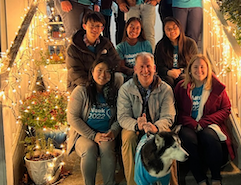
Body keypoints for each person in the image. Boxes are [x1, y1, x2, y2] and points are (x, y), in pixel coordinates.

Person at [117, 52, 177, 185]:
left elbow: (168, 116)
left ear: (154, 68)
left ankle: (172, 182)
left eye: (148, 66)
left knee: (167, 135)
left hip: (156, 126)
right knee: (127, 138)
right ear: (135, 69)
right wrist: (137, 125)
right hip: (135, 127)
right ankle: (133, 182)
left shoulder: (165, 89)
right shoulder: (125, 90)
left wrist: (156, 127)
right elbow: (123, 117)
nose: (145, 70)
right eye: (141, 66)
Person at [174, 54, 234, 185]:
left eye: (202, 67)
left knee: (210, 137)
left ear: (208, 69)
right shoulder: (181, 87)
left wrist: (203, 123)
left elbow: (226, 109)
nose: (199, 70)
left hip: (208, 124)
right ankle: (200, 178)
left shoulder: (216, 87)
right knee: (188, 139)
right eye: (195, 67)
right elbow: (176, 110)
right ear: (189, 69)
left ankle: (216, 177)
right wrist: (193, 124)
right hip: (188, 124)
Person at [67, 57, 122, 185]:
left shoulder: (115, 92)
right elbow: (72, 118)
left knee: (107, 146)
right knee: (90, 149)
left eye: (107, 71)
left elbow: (121, 116)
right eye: (100, 70)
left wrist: (113, 131)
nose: (103, 75)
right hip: (84, 135)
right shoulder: (81, 91)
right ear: (92, 71)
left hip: (106, 133)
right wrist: (93, 135)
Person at [66, 11, 124, 92]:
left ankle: (114, 103)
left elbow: (116, 61)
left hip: (102, 80)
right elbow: (75, 72)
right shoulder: (74, 47)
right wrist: (92, 86)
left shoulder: (106, 43)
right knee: (82, 90)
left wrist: (106, 78)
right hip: (82, 85)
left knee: (118, 77)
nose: (94, 29)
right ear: (84, 26)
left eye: (98, 26)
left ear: (102, 29)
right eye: (91, 25)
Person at [155, 17, 198, 87]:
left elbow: (195, 63)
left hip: (185, 73)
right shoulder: (161, 46)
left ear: (179, 28)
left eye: (174, 27)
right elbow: (159, 65)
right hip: (167, 75)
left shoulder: (190, 43)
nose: (172, 31)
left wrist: (181, 71)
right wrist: (168, 72)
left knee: (183, 80)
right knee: (168, 81)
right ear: (164, 31)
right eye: (168, 29)